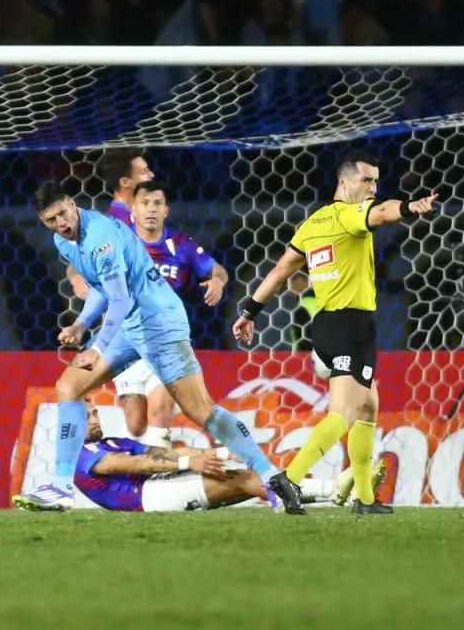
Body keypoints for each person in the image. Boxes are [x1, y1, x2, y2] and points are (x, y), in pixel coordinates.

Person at [11, 180, 304, 514]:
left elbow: (120, 298)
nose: (61, 224)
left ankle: (273, 478)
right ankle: (62, 488)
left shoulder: (100, 236)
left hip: (158, 321)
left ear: (73, 204)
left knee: (200, 410)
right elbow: (102, 289)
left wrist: (97, 344)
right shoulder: (63, 242)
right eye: (51, 220)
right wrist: (80, 324)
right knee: (68, 387)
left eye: (63, 214)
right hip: (128, 325)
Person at [233, 150, 438, 515]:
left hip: (327, 327)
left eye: (376, 180)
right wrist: (410, 208)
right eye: (366, 180)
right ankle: (289, 478)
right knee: (344, 412)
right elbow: (383, 212)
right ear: (344, 182)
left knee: (368, 407)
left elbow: (281, 270)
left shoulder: (313, 223)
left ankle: (364, 498)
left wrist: (250, 311)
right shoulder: (349, 215)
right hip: (349, 326)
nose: (373, 187)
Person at [63, 403, 384, 513]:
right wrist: (191, 464)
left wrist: (214, 453)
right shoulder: (81, 457)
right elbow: (134, 464)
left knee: (236, 472)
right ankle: (332, 490)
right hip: (149, 500)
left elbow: (158, 453)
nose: (96, 419)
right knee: (239, 479)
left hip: (156, 487)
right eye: (87, 417)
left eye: (94, 413)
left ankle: (335, 492)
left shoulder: (111, 441)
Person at [116, 180, 230, 448]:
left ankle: (156, 480)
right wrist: (77, 278)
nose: (151, 209)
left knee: (159, 412)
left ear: (166, 210)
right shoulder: (119, 240)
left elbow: (218, 270)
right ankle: (134, 465)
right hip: (126, 341)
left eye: (157, 204)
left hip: (166, 341)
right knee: (135, 424)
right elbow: (78, 263)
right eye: (145, 203)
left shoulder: (180, 244)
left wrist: (217, 281)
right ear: (133, 209)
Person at [65, 148, 154, 300]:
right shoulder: (115, 222)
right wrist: (77, 279)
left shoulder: (145, 214)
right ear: (125, 182)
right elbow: (79, 261)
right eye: (145, 171)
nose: (152, 175)